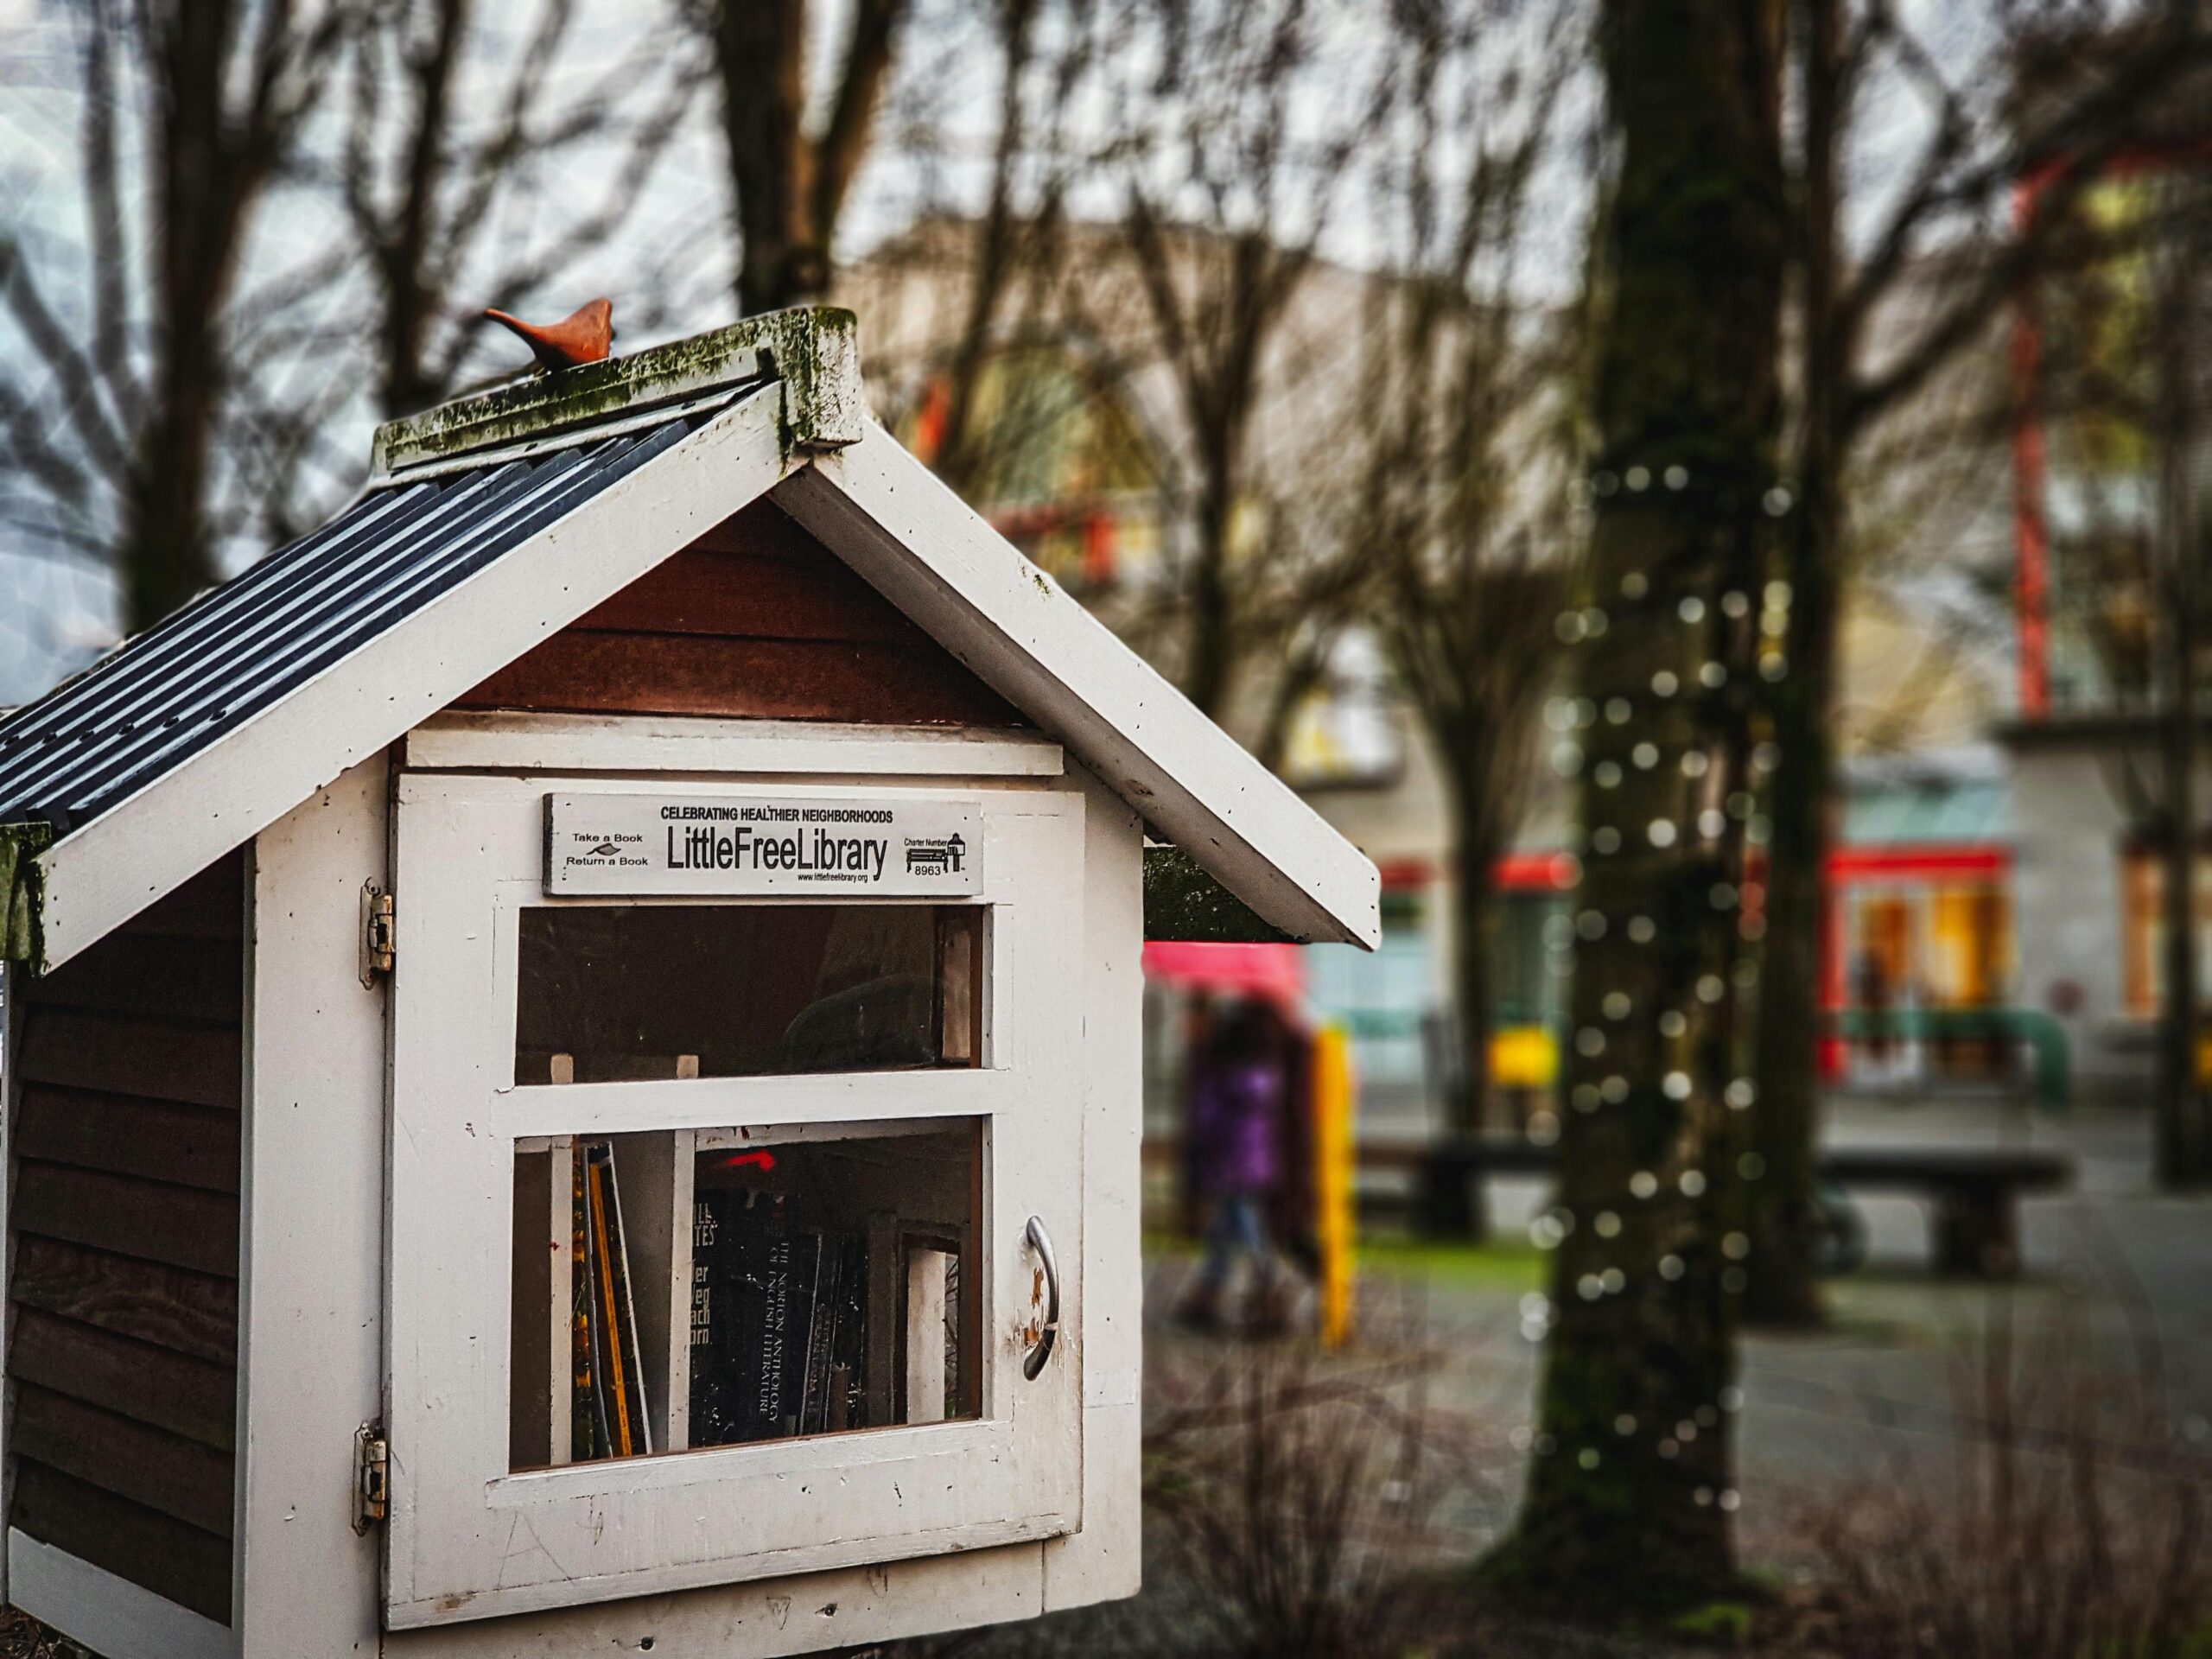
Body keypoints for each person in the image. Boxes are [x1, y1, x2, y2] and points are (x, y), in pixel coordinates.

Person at [1176, 998, 1296, 1334]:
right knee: (1226, 1229)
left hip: (1227, 1162)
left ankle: (1264, 1282)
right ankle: (1217, 1292)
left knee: (1240, 1225)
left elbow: (1206, 1122)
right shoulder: (1267, 1077)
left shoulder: (1220, 1078)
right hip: (1256, 1164)